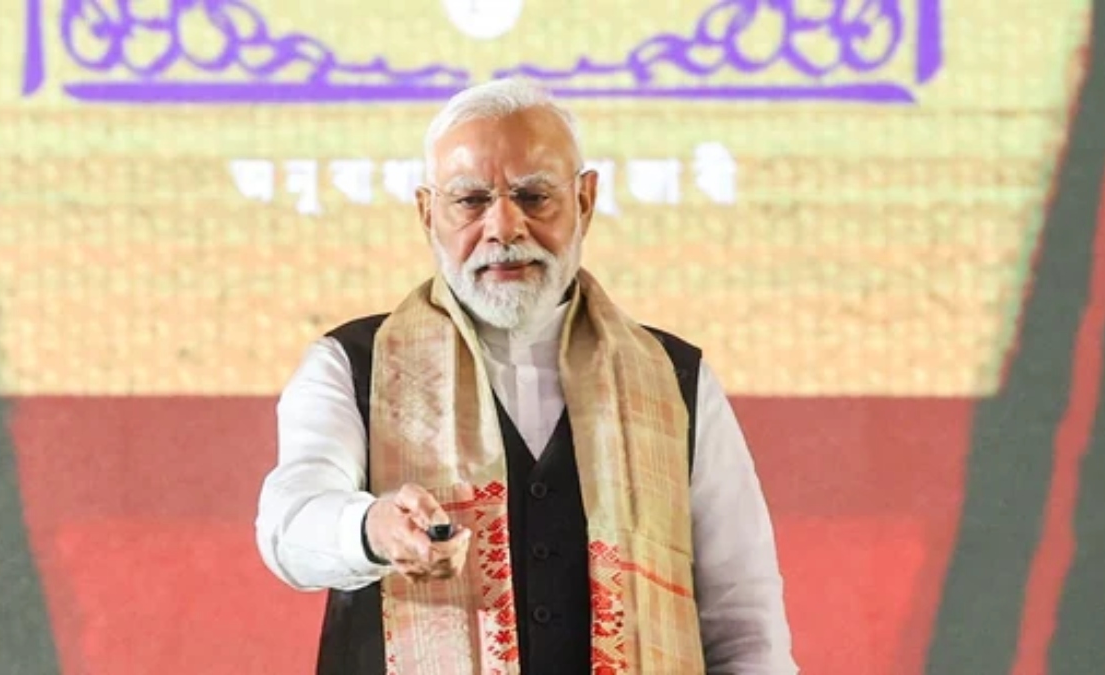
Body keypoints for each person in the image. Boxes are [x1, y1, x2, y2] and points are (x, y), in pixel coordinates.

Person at [255, 78, 798, 674]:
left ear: (585, 201)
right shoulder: (351, 363)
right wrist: (370, 528)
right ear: (426, 212)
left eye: (534, 196)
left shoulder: (675, 378)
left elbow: (744, 620)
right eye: (471, 200)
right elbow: (289, 526)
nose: (504, 228)